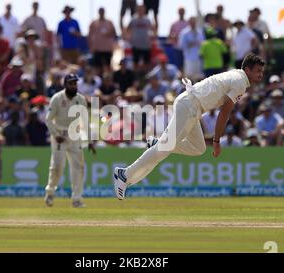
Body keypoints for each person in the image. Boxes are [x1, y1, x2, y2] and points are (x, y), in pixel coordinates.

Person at [113, 53, 265, 200]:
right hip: (191, 106)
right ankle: (124, 174)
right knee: (164, 149)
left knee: (198, 147)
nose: (261, 75)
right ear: (247, 70)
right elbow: (224, 113)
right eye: (258, 71)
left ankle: (159, 144)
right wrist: (217, 141)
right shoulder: (240, 82)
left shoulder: (236, 75)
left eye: (262, 71)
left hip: (192, 106)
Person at [44, 74, 96, 208]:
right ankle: (50, 192)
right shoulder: (57, 98)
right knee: (57, 167)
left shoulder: (80, 99)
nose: (74, 86)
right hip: (59, 136)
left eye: (75, 83)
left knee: (78, 167)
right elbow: (48, 119)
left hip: (75, 136)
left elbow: (85, 121)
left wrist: (90, 141)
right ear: (65, 84)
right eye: (71, 83)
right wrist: (55, 135)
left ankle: (77, 198)